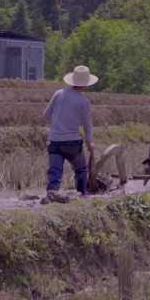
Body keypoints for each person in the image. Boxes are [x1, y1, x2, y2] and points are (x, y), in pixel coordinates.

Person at [41, 65, 97, 203]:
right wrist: (89, 143)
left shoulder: (58, 93)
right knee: (81, 170)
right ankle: (81, 195)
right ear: (86, 85)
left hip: (54, 142)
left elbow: (46, 115)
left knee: (54, 173)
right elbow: (87, 125)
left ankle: (51, 196)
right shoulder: (84, 101)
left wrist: (59, 120)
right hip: (72, 143)